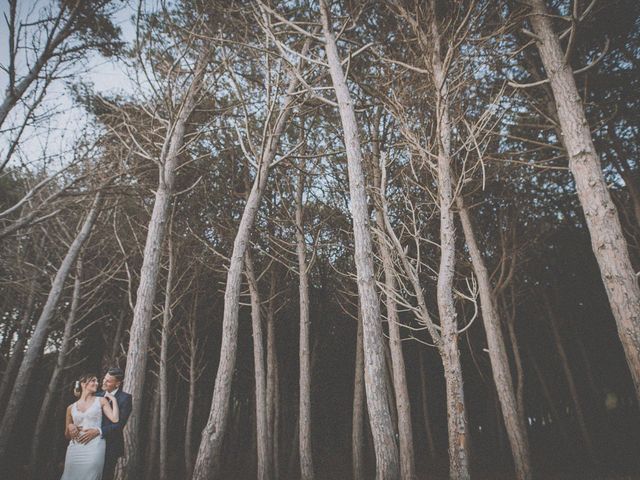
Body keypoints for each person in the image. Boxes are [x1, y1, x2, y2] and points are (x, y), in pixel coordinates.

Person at [76, 367, 133, 480]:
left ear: (117, 384)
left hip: (110, 444)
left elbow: (119, 424)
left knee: (105, 475)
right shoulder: (96, 395)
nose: (104, 382)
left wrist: (98, 431)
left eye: (108, 381)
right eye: (104, 379)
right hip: (90, 443)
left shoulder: (125, 398)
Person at [61, 374, 119, 480]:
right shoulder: (70, 407)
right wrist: (70, 426)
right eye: (93, 380)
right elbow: (67, 436)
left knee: (90, 475)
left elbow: (115, 419)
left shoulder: (101, 400)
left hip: (94, 446)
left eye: (97, 381)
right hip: (75, 448)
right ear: (83, 384)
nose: (97, 383)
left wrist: (114, 400)